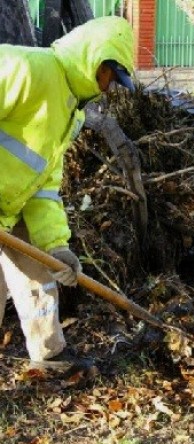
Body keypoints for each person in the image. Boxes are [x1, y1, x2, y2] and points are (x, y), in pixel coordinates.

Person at [0, 16, 136, 372]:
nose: (109, 89)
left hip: (13, 205)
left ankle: (49, 355)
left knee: (41, 272)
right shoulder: (27, 68)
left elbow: (44, 183)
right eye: (110, 76)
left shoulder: (71, 112)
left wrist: (56, 245)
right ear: (96, 60)